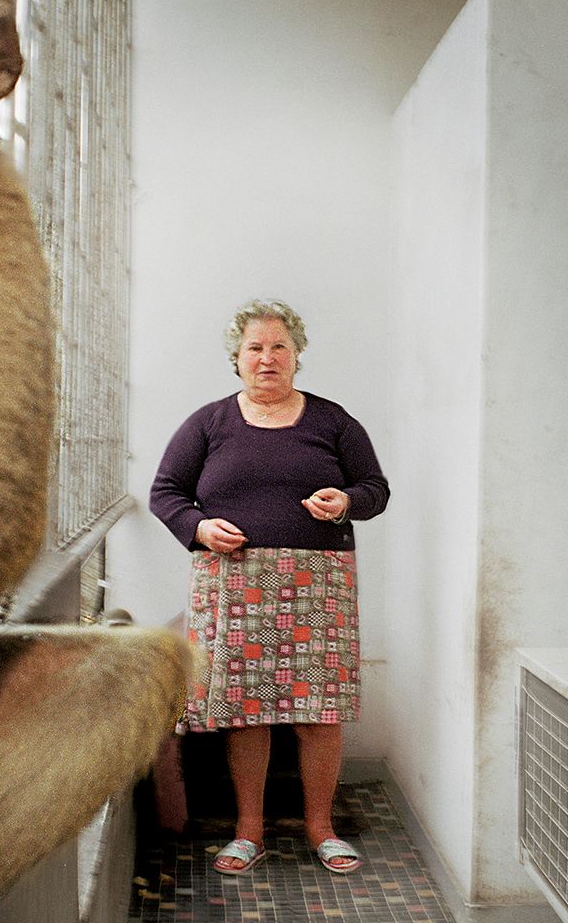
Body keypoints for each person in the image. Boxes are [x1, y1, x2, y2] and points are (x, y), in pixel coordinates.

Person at [150, 299, 390, 876]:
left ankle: (321, 829)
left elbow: (374, 488)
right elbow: (166, 493)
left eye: (278, 346)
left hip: (317, 586)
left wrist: (346, 503)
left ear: (297, 355)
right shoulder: (209, 423)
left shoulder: (333, 421)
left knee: (318, 710)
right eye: (254, 348)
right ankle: (249, 831)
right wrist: (200, 527)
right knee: (247, 711)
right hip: (234, 584)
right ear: (236, 359)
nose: (267, 358)